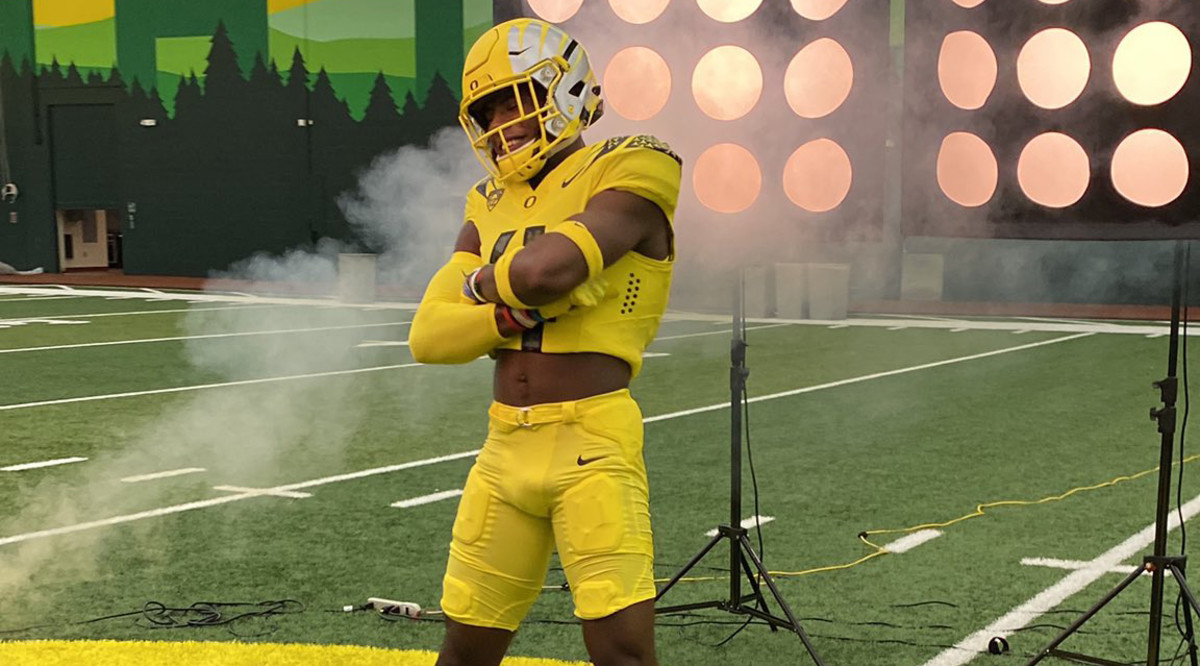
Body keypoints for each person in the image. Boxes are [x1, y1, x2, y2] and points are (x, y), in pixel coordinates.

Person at [407, 17, 682, 666]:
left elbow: (546, 271)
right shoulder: (488, 199)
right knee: (465, 647)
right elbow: (428, 335)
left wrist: (477, 283)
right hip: (505, 446)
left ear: (566, 88)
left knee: (621, 653)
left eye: (516, 98)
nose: (504, 121)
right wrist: (507, 315)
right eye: (490, 108)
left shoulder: (634, 164)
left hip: (592, 440)